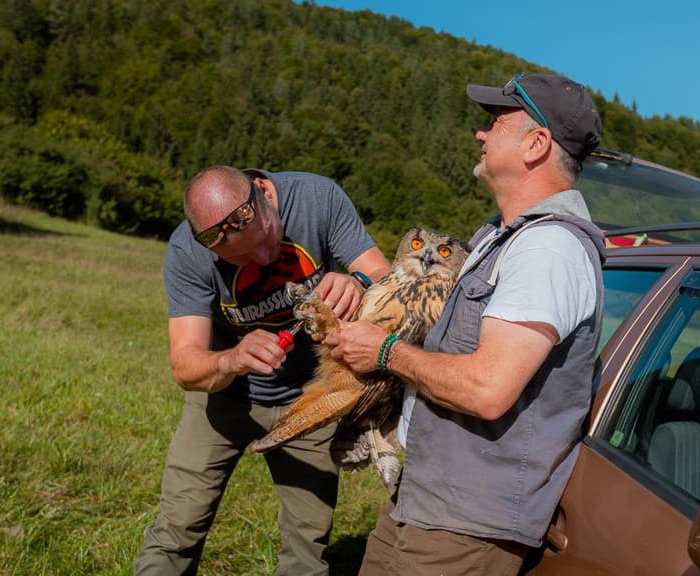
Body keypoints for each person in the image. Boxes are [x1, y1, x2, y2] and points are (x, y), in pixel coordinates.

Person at [326, 73, 606, 574]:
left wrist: (385, 351)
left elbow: (487, 388)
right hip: (429, 495)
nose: (481, 133)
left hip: (467, 521)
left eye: (496, 122)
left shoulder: (548, 249)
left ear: (536, 144)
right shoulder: (505, 240)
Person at [134, 166, 390, 575]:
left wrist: (358, 282)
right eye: (243, 258)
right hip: (224, 398)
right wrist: (231, 359)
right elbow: (186, 365)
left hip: (309, 399)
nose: (265, 259)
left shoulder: (316, 198)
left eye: (267, 240)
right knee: (176, 530)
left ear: (262, 195)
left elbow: (384, 275)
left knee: (307, 545)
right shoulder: (187, 251)